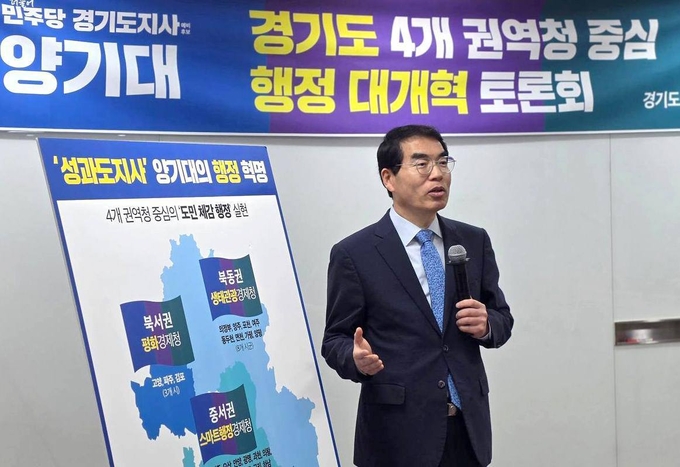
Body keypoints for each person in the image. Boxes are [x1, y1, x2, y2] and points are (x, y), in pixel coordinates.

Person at [321, 125, 513, 467]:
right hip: (397, 435)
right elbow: (335, 339)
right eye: (422, 164)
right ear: (389, 178)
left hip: (467, 430)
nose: (437, 174)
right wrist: (355, 358)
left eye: (443, 162)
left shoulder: (472, 240)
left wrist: (487, 325)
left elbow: (502, 318)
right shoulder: (355, 253)